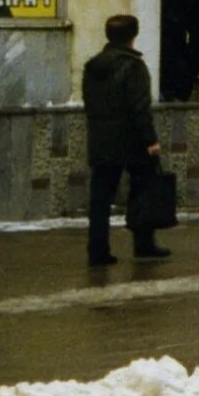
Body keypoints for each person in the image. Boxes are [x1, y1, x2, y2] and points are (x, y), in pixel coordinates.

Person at [83, 14, 170, 267]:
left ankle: (97, 250)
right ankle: (144, 244)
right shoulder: (133, 66)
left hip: (101, 139)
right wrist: (151, 140)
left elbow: (90, 103)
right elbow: (139, 107)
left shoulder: (92, 66)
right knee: (142, 189)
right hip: (131, 140)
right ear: (134, 35)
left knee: (100, 198)